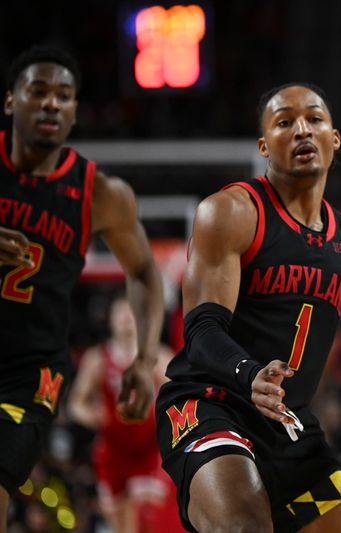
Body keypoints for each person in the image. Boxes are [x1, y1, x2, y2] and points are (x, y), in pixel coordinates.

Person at [155, 82, 341, 533]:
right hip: (211, 405)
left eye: (314, 119)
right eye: (284, 122)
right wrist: (249, 374)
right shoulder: (231, 212)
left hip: (289, 426)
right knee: (244, 523)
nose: (301, 131)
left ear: (335, 138)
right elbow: (202, 329)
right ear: (263, 145)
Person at [0, 45, 164, 532]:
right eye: (39, 91)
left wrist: (144, 357)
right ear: (11, 101)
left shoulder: (101, 193)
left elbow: (144, 273)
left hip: (29, 374)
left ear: (74, 112)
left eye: (64, 96)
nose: (52, 103)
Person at [68, 295, 182, 533]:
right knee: (119, 521)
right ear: (110, 320)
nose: (127, 320)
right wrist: (93, 415)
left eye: (132, 314)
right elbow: (75, 404)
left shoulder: (158, 357)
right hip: (113, 448)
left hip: (149, 446)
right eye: (121, 314)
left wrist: (165, 413)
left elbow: (182, 395)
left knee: (149, 513)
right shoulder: (97, 358)